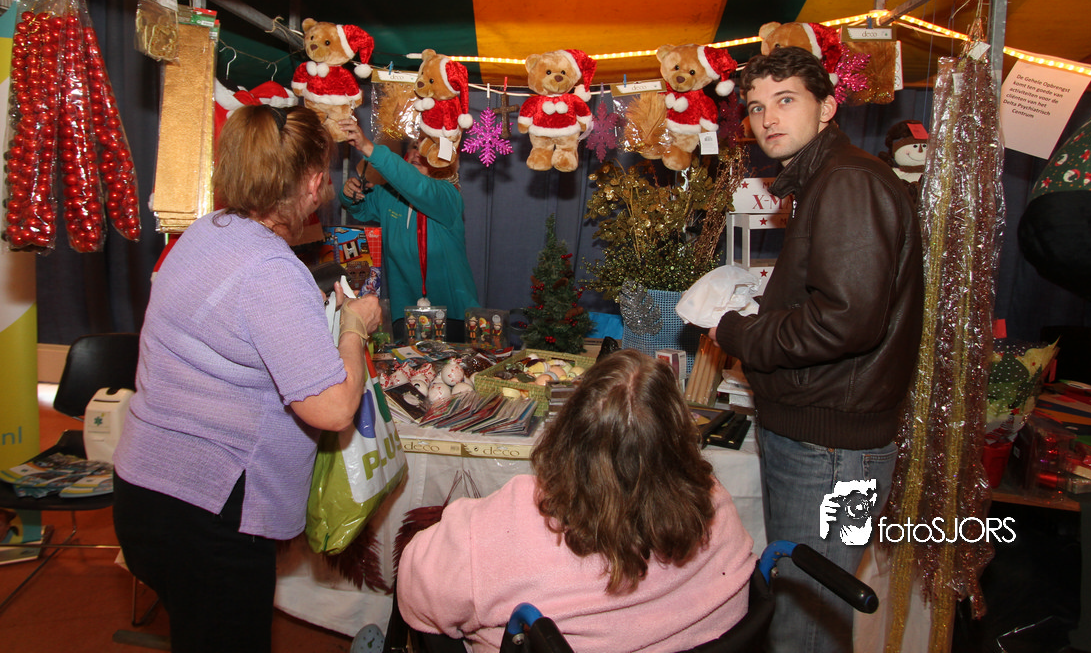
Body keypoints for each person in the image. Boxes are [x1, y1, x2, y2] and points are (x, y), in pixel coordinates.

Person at [112, 104, 382, 653]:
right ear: (312, 182)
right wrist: (354, 328)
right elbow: (332, 408)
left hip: (147, 488)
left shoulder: (206, 233)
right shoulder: (270, 270)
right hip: (205, 510)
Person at [710, 46, 923, 653]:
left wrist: (737, 332)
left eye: (786, 100)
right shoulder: (825, 179)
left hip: (832, 452)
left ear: (827, 107)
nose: (768, 118)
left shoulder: (849, 181)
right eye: (756, 107)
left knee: (806, 627)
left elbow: (846, 322)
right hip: (823, 439)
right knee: (802, 610)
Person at [397, 349, 755, 653]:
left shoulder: (512, 521)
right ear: (680, 435)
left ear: (568, 431)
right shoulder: (715, 505)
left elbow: (418, 593)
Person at [337, 116, 479, 342]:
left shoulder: (448, 196)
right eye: (414, 146)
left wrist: (369, 148)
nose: (417, 153)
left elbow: (419, 187)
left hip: (453, 316)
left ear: (441, 160)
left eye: (426, 148)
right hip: (405, 317)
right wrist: (349, 193)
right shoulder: (388, 194)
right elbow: (361, 208)